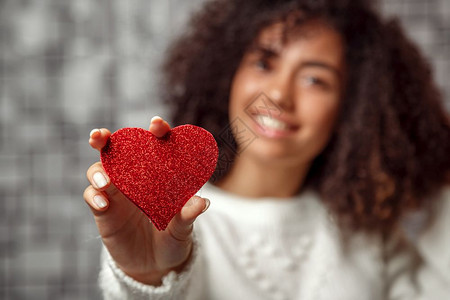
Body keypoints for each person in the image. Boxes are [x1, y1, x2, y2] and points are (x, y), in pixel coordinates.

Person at [83, 0, 450, 299]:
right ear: (229, 73)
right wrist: (148, 278)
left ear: (353, 108)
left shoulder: (368, 232)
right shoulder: (164, 220)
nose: (278, 95)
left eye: (314, 79)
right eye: (264, 63)